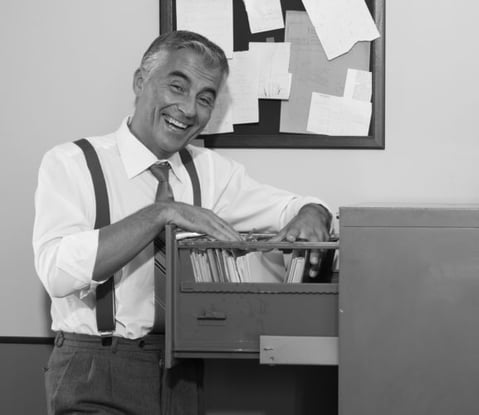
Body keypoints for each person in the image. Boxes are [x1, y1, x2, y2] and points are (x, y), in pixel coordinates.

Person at [32, 30, 332, 414]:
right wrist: (161, 213)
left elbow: (294, 207)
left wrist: (313, 213)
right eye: (178, 86)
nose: (189, 109)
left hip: (182, 372)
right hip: (96, 366)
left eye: (205, 99)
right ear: (140, 81)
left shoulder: (209, 172)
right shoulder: (71, 162)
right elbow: (56, 274)